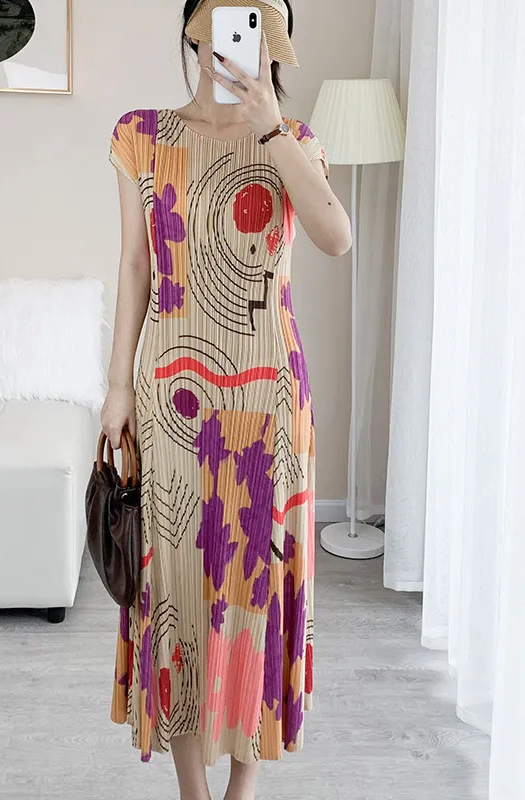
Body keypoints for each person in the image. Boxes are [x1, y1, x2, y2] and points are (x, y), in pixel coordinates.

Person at [100, 1, 351, 798]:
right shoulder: (141, 136)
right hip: (170, 400)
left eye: (259, 18)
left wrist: (272, 130)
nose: (240, 35)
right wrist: (115, 388)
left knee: (256, 589)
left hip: (269, 399)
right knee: (175, 587)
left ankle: (242, 787)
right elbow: (135, 267)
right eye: (226, 15)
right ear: (195, 29)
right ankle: (193, 790)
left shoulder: (294, 140)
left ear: (276, 39)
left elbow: (336, 236)